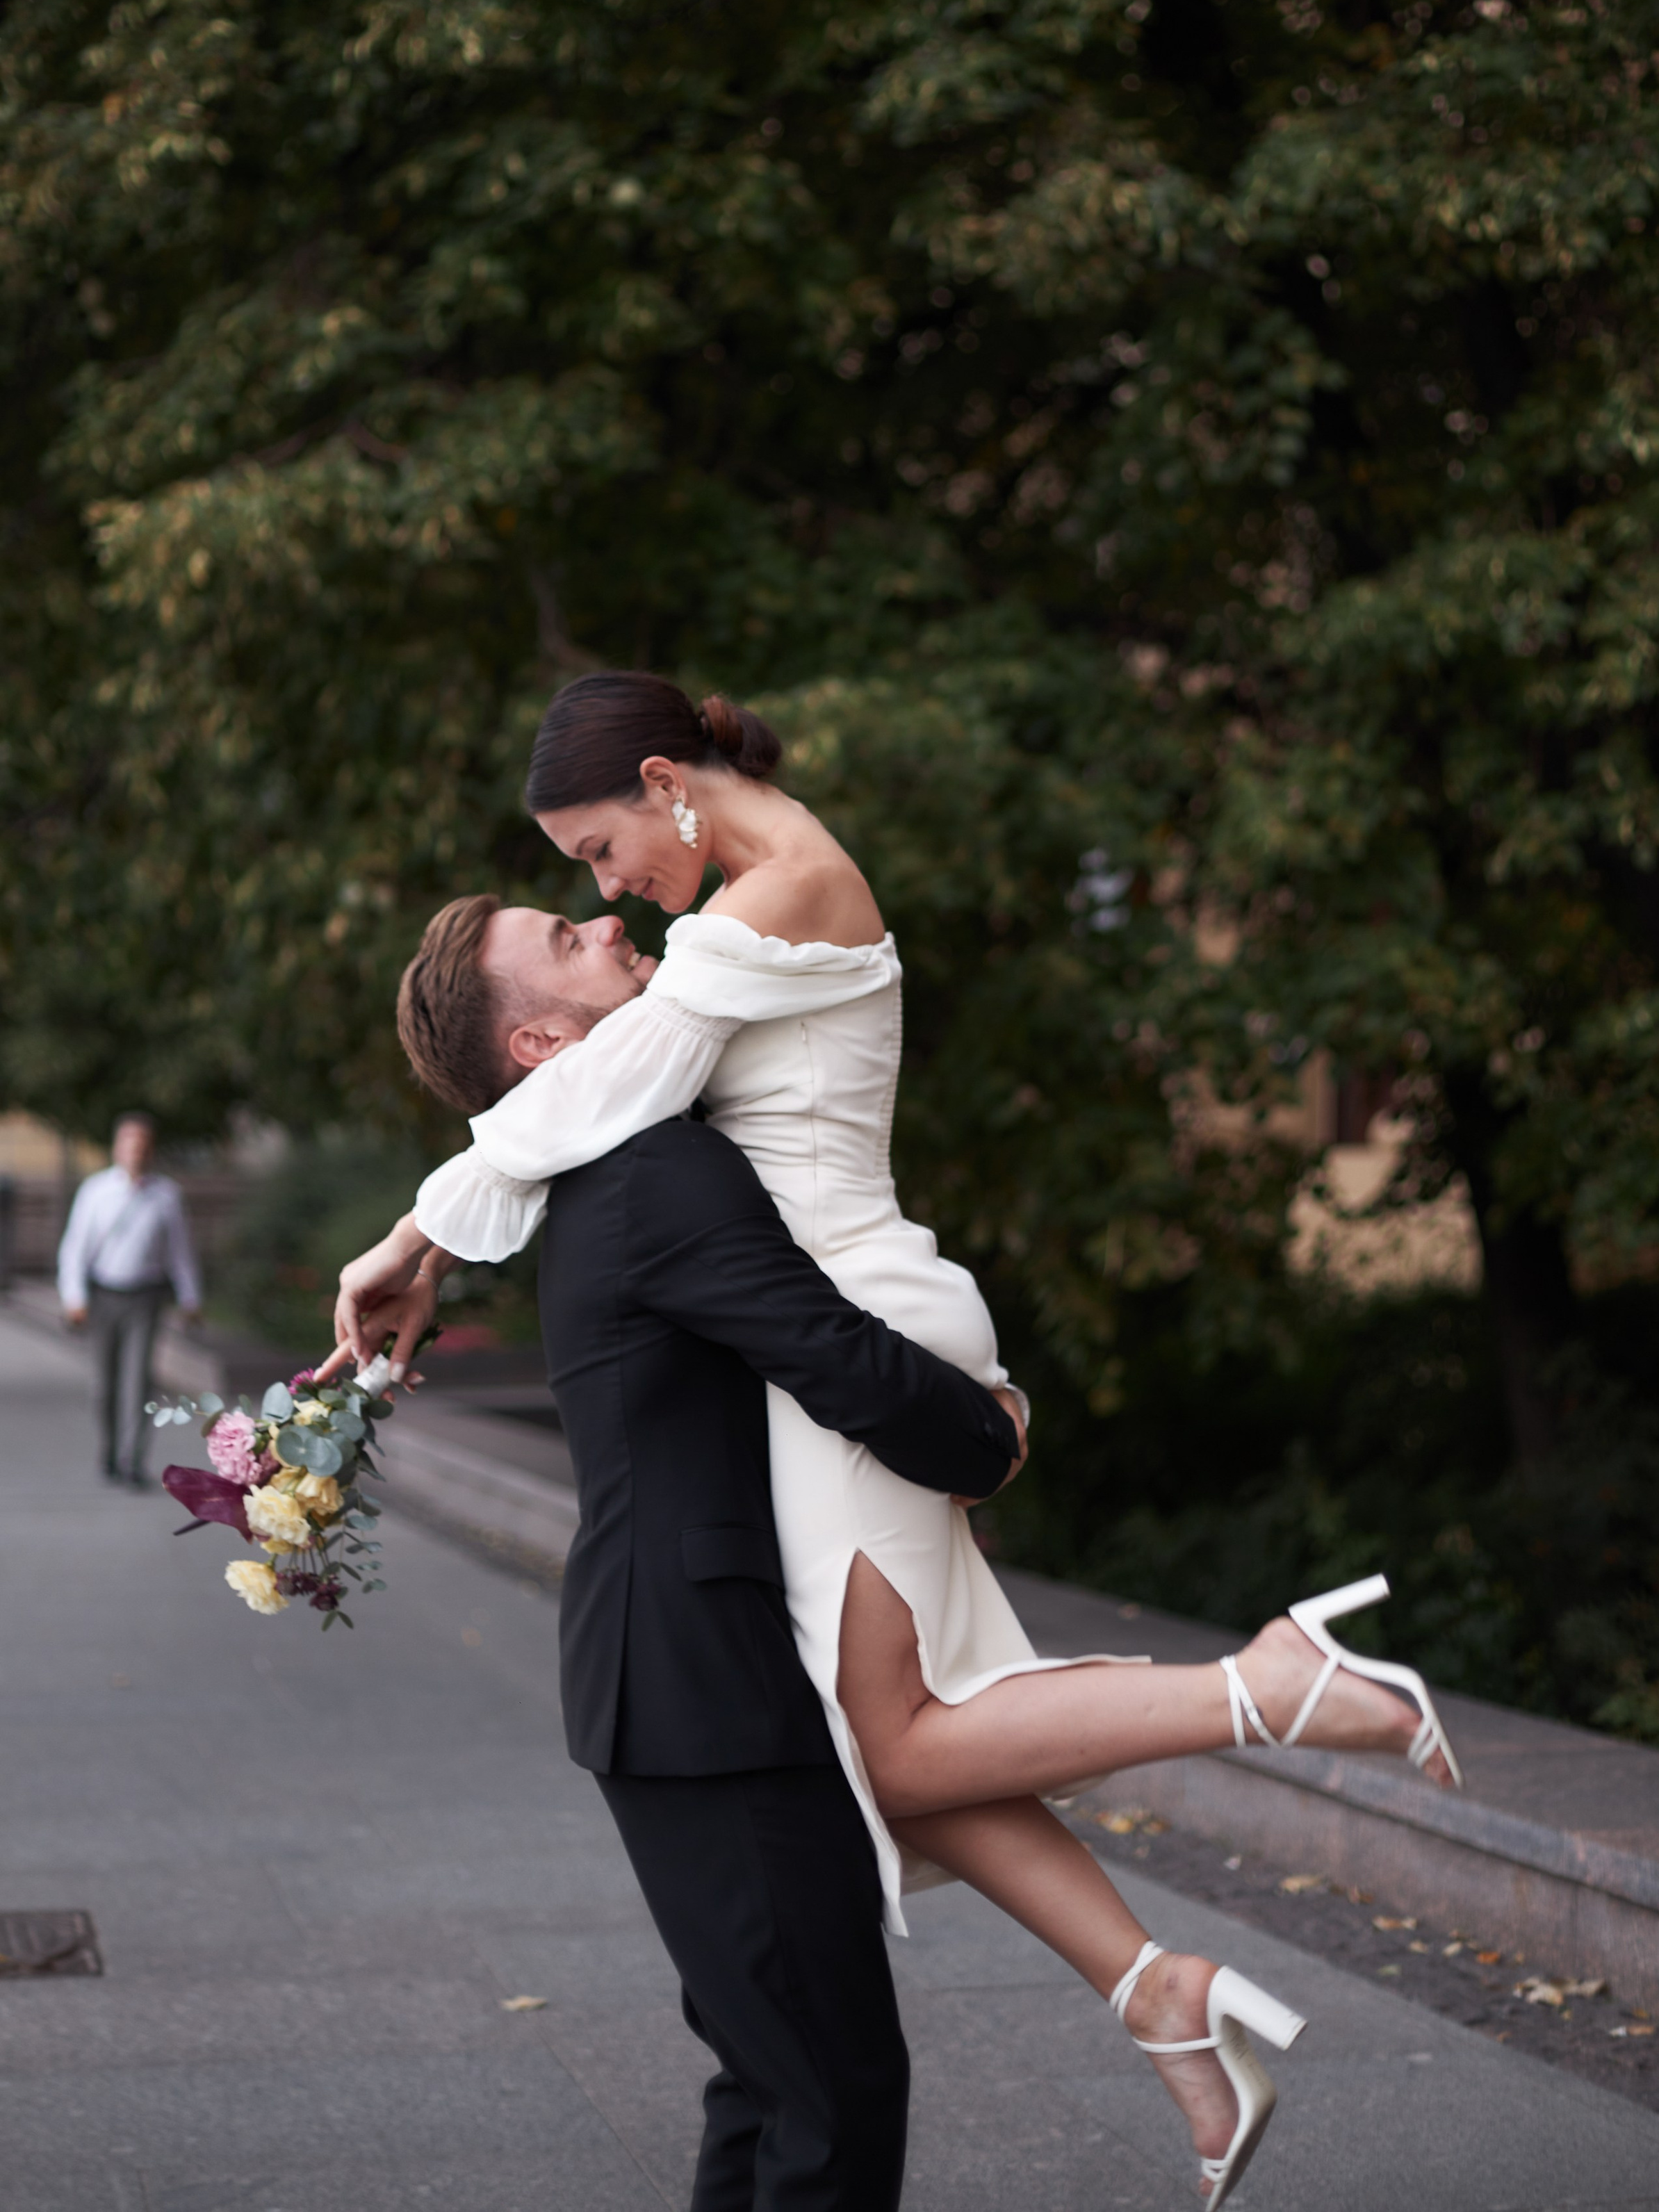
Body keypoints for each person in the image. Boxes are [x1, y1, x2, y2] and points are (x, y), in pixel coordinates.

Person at [334, 673, 1462, 2211]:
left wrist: (417, 1231)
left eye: (594, 856)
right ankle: (1156, 1991)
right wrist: (428, 1235)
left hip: (862, 1333)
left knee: (907, 1745)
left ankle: (1265, 1689)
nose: (601, 897)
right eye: (575, 899)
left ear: (664, 781)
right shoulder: (719, 951)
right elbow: (580, 1091)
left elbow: (588, 1087)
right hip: (853, 1345)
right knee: (909, 1758)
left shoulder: (764, 908)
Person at [58, 1110, 202, 1486]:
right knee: (105, 1386)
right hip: (105, 1295)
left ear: (151, 1150)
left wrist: (191, 1297)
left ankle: (133, 1459)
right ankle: (108, 1450)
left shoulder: (166, 1195)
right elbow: (75, 1248)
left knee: (139, 1381)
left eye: (143, 1144)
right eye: (129, 1143)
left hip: (145, 1297)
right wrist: (74, 1297)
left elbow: (180, 1252)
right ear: (117, 1148)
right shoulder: (95, 1191)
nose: (136, 1151)